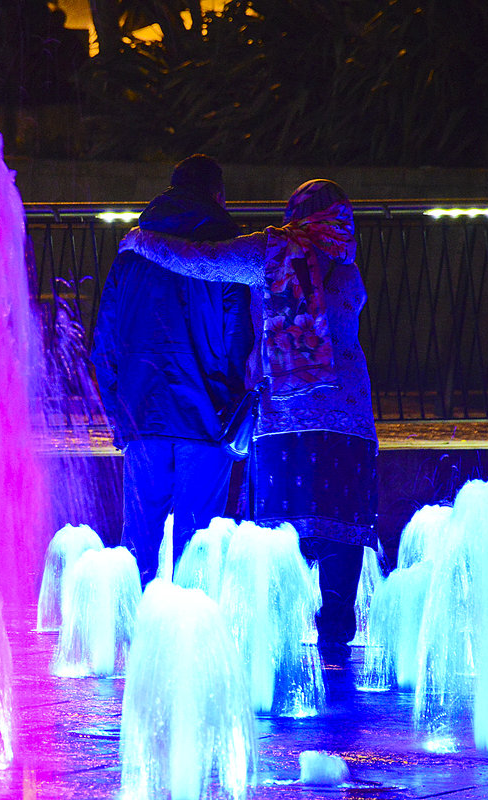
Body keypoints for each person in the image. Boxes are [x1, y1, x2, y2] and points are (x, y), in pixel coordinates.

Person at [119, 179, 378, 657]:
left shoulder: (274, 252)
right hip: (349, 422)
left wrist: (143, 241)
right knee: (340, 534)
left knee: (279, 539)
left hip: (286, 422)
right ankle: (337, 654)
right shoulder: (348, 261)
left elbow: (203, 260)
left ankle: (277, 659)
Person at [90, 155, 255, 587]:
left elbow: (103, 344)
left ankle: (133, 640)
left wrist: (119, 408)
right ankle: (188, 637)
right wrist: (231, 402)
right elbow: (238, 334)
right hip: (205, 419)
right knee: (197, 544)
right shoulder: (224, 249)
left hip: (141, 417)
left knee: (138, 543)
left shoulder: (130, 254)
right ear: (218, 196)